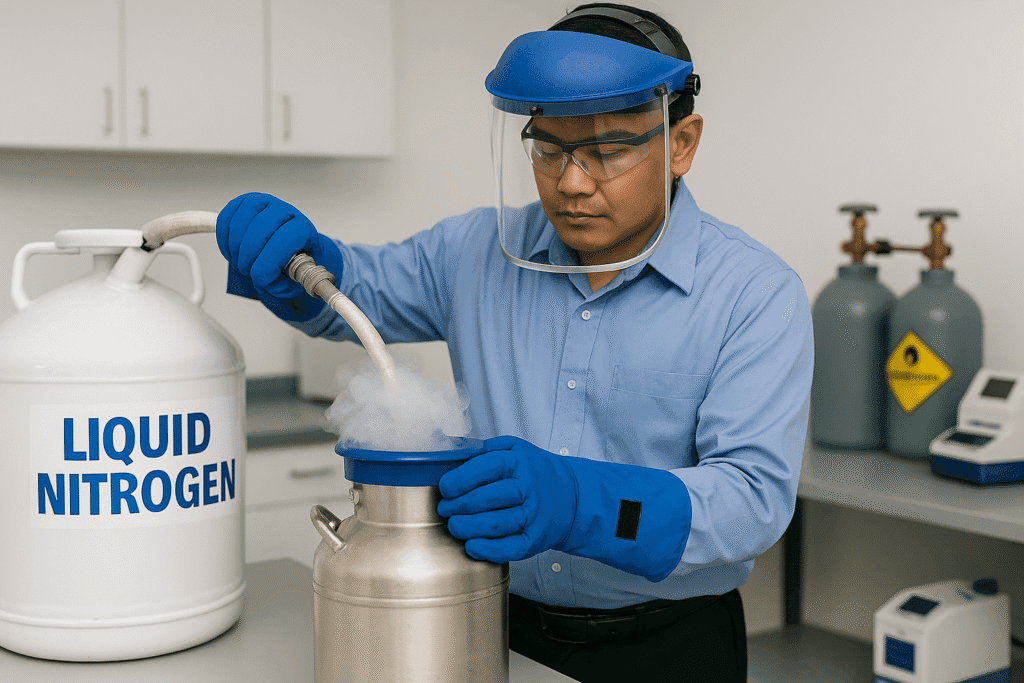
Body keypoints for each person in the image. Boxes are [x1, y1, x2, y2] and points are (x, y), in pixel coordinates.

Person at [216, 4, 813, 681]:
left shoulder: (754, 292)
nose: (572, 182)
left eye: (608, 151)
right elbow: (357, 297)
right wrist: (295, 260)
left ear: (681, 142)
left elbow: (751, 502)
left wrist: (581, 500)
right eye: (549, 148)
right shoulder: (476, 249)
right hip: (497, 624)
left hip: (670, 645)